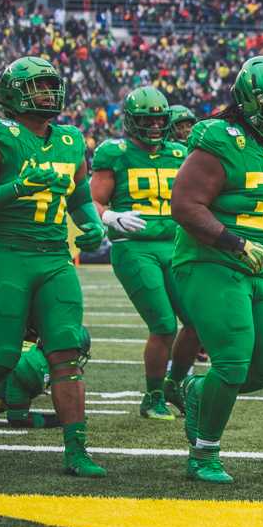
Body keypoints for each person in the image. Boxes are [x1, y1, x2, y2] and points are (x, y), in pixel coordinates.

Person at [170, 56, 263, 484]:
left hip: (254, 265)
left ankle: (198, 392)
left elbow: (255, 207)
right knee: (231, 362)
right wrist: (233, 242)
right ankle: (204, 453)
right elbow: (184, 205)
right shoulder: (218, 138)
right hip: (210, 262)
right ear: (248, 102)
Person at [0, 56, 106, 476]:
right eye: (38, 87)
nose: (48, 94)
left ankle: (77, 451)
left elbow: (80, 198)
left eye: (51, 85)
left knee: (67, 351)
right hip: (8, 253)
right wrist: (18, 187)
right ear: (14, 94)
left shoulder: (71, 139)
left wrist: (91, 227)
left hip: (54, 257)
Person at [91, 87, 196, 420]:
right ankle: (152, 396)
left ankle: (173, 385)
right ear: (131, 121)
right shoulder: (115, 152)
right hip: (133, 247)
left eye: (158, 120)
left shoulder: (179, 154)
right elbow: (92, 201)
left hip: (176, 245)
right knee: (164, 325)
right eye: (146, 120)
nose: (153, 126)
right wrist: (110, 217)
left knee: (197, 323)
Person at [0, 326, 91, 428]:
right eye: (77, 355)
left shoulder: (33, 352)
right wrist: (57, 420)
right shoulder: (34, 366)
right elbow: (18, 419)